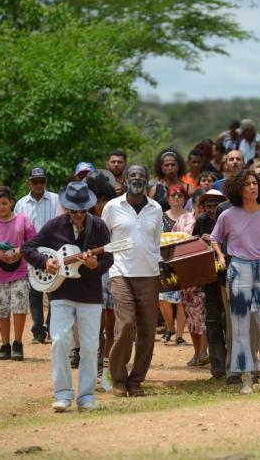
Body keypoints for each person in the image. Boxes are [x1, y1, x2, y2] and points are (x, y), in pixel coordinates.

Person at [21, 182, 112, 412]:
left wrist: (94, 265)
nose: (79, 215)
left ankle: (86, 397)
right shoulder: (54, 226)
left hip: (90, 294)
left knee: (90, 346)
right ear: (67, 208)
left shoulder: (99, 226)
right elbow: (27, 248)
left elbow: (108, 259)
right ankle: (62, 394)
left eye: (83, 210)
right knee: (60, 341)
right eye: (74, 210)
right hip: (60, 293)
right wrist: (45, 261)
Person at [211, 169, 260, 394]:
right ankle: (246, 378)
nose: (253, 187)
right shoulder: (227, 215)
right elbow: (214, 238)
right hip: (239, 268)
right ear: (238, 188)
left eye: (255, 183)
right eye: (247, 184)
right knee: (240, 327)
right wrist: (220, 255)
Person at [102, 164, 163, 397]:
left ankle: (136, 380)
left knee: (147, 331)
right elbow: (105, 239)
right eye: (132, 175)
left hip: (149, 274)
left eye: (141, 175)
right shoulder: (112, 206)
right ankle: (118, 378)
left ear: (147, 181)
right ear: (125, 180)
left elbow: (155, 243)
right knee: (126, 324)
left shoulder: (156, 208)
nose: (137, 178)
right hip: (120, 272)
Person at [0, 186, 36, 360]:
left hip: (20, 272)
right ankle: (5, 344)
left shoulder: (23, 220)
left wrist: (19, 252)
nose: (2, 206)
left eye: (5, 203)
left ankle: (17, 343)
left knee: (19, 308)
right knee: (1, 310)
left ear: (11, 202)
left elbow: (33, 241)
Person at [14, 166, 59, 344]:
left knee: (54, 291)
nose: (38, 184)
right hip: (31, 253)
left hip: (53, 251)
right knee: (34, 292)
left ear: (46, 182)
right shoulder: (21, 204)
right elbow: (18, 230)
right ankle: (38, 330)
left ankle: (51, 327)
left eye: (42, 181)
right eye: (35, 181)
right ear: (29, 183)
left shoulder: (56, 200)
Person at [84, 171, 118, 382]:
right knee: (95, 324)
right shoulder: (84, 222)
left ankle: (108, 366)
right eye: (98, 200)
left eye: (105, 199)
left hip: (113, 272)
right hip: (92, 275)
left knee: (112, 324)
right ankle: (95, 364)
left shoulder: (115, 217)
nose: (102, 204)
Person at [193, 189, 228, 378]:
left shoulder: (229, 217)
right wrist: (201, 240)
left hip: (227, 275)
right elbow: (191, 245)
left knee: (228, 320)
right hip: (209, 277)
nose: (211, 210)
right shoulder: (201, 221)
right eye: (208, 206)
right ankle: (217, 367)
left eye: (215, 206)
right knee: (213, 320)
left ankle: (231, 363)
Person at [174, 189, 209, 366]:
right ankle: (197, 353)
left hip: (206, 272)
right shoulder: (183, 219)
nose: (203, 207)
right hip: (186, 273)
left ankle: (204, 352)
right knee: (190, 313)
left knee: (205, 313)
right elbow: (172, 240)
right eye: (200, 203)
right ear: (194, 203)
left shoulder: (212, 220)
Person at [159, 184, 189, 345]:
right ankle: (169, 328)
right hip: (164, 259)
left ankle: (179, 335)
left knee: (182, 298)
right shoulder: (161, 216)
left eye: (180, 195)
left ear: (185, 198)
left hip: (184, 260)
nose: (177, 197)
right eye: (173, 195)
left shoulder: (190, 217)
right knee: (163, 297)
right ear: (168, 199)